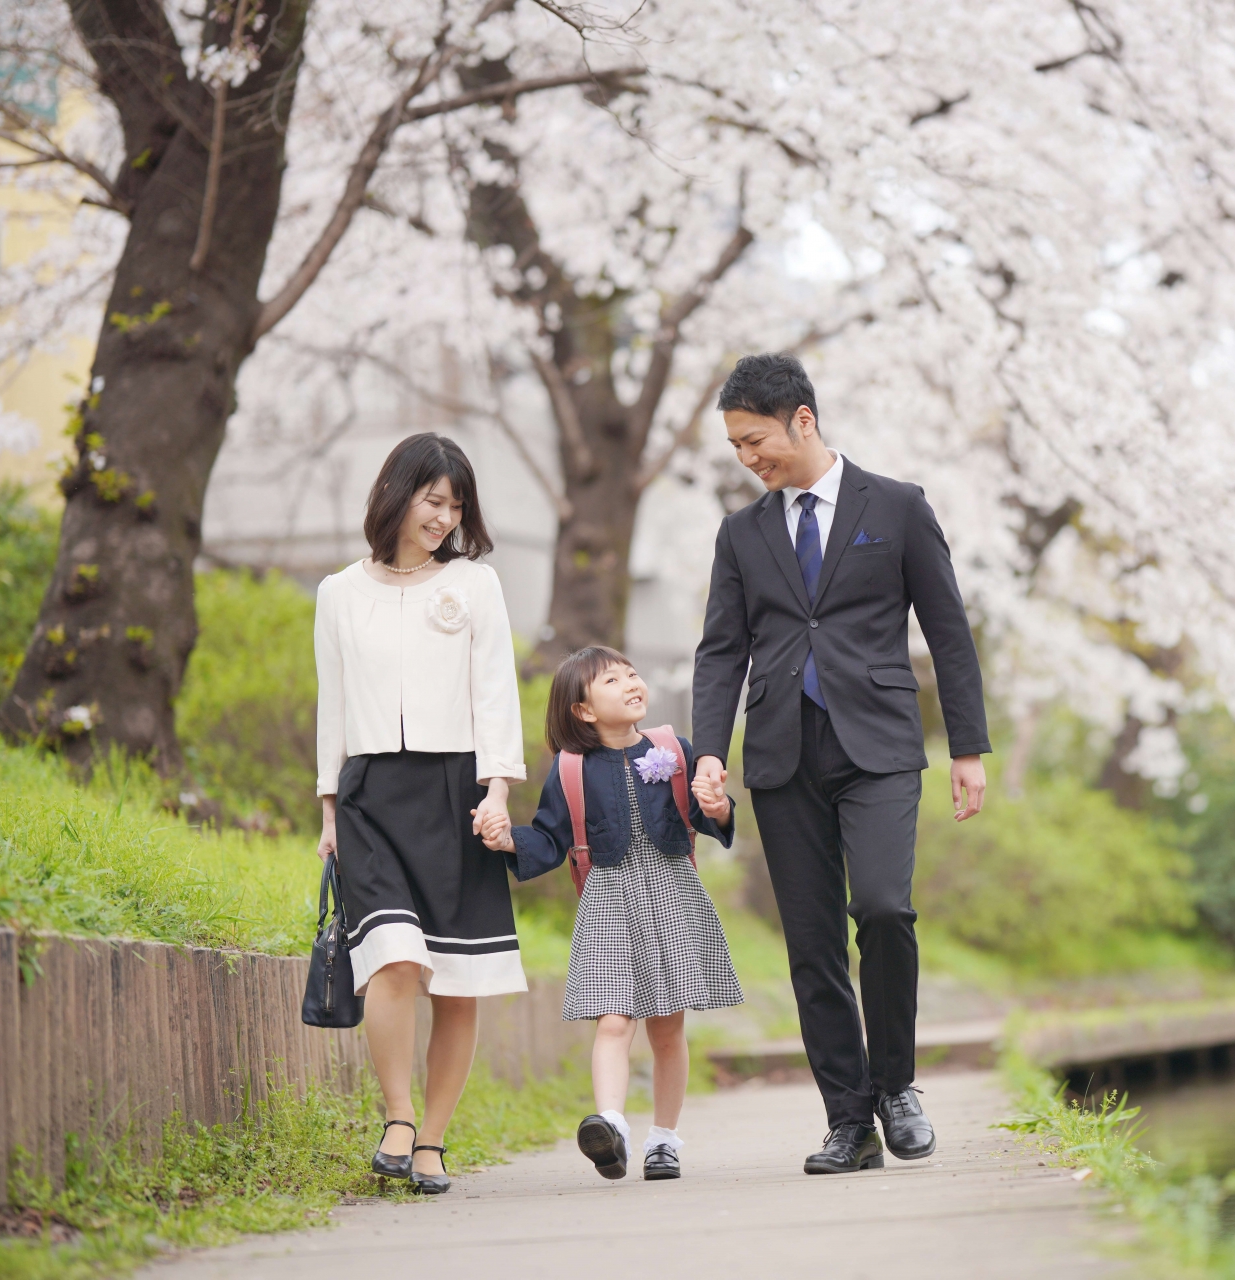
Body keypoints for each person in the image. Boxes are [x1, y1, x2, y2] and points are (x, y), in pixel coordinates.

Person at [691, 353, 990, 1174]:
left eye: (756, 440)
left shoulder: (895, 507)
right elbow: (721, 651)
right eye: (736, 446)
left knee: (886, 910)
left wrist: (967, 746)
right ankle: (848, 1122)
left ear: (803, 420)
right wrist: (708, 753)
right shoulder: (742, 533)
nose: (749, 459)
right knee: (813, 942)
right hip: (783, 752)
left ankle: (897, 1088)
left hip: (881, 746)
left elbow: (947, 629)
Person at [314, 432, 527, 1196]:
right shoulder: (339, 591)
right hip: (371, 795)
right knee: (397, 960)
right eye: (433, 500)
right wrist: (330, 809)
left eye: (455, 506)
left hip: (457, 793)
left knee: (458, 977)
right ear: (397, 493)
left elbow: (494, 691)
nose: (443, 517)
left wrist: (497, 789)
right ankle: (398, 1118)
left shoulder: (474, 584)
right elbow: (331, 706)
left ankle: (432, 1141)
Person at [480, 646, 742, 1181]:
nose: (631, 683)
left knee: (668, 1028)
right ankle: (612, 1125)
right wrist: (509, 841)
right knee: (614, 1021)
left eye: (632, 674)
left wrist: (719, 808)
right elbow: (551, 838)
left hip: (672, 891)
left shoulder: (674, 748)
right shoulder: (571, 770)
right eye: (612, 680)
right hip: (608, 901)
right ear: (583, 710)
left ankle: (665, 1139)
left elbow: (704, 814)